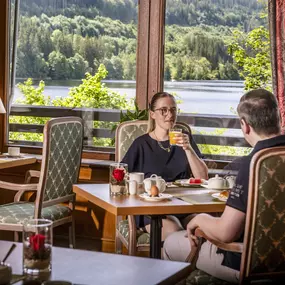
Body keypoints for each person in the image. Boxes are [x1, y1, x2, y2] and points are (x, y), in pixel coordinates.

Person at [163, 88, 285, 283]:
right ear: (278, 118)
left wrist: (200, 219)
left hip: (246, 263)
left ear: (244, 126)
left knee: (170, 243)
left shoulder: (254, 164)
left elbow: (225, 233)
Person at [121, 91, 208, 239]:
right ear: (153, 114)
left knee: (205, 226)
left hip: (182, 206)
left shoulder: (184, 141)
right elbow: (120, 177)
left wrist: (188, 149)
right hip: (151, 210)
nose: (170, 114)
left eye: (173, 110)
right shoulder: (141, 144)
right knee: (175, 230)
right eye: (164, 110)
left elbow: (203, 177)